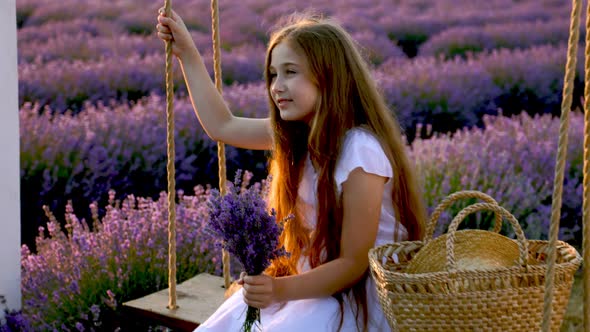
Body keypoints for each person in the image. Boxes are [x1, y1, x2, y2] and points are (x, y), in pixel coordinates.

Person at [156, 8, 426, 331]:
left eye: (290, 72)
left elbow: (354, 264)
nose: (276, 87)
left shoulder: (360, 151)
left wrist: (277, 290)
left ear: (328, 76)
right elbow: (222, 125)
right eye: (273, 75)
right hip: (312, 286)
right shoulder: (296, 135)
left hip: (358, 298)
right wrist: (185, 51)